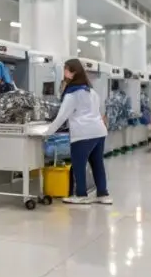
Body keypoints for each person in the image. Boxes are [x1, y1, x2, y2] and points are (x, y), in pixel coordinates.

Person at [47, 58, 111, 206]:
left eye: (66, 69)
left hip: (83, 133)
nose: (63, 72)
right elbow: (96, 111)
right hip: (99, 131)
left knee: (78, 164)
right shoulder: (91, 91)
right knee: (97, 164)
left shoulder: (72, 94)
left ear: (73, 72)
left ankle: (81, 194)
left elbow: (62, 116)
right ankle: (103, 194)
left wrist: (48, 132)